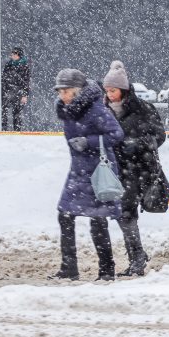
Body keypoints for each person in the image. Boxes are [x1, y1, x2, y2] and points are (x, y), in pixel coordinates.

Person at [52, 69, 124, 281]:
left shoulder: (96, 109)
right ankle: (69, 268)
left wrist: (88, 142)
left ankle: (107, 270)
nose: (62, 96)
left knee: (98, 219)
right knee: (64, 215)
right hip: (78, 170)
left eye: (65, 91)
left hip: (98, 171)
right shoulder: (68, 110)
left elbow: (116, 134)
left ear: (77, 91)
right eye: (60, 92)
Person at [103, 60, 167, 276]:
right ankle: (137, 257)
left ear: (123, 89)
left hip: (140, 169)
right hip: (116, 169)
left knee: (126, 213)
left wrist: (138, 145)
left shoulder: (143, 109)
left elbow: (159, 136)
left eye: (113, 90)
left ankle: (137, 257)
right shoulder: (103, 111)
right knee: (124, 214)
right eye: (107, 90)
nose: (109, 94)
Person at [2, 46, 31, 131]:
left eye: (15, 54)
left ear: (19, 56)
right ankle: (4, 130)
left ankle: (17, 132)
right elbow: (3, 78)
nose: (13, 56)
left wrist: (25, 94)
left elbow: (26, 82)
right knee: (3, 111)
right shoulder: (8, 65)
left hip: (18, 92)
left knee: (17, 113)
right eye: (12, 54)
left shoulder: (25, 66)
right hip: (7, 91)